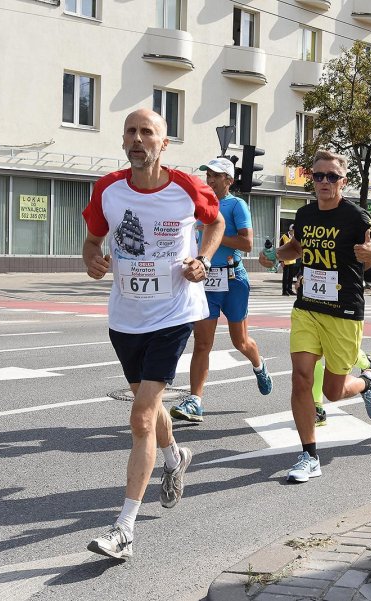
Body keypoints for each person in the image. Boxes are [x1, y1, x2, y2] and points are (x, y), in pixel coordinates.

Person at [81, 109, 223, 559]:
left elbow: (215, 222)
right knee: (151, 402)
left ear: (165, 144)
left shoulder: (186, 187)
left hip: (174, 313)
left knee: (141, 415)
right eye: (131, 132)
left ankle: (124, 528)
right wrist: (92, 258)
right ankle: (175, 458)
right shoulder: (108, 189)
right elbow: (92, 239)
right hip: (125, 317)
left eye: (148, 133)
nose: (138, 139)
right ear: (123, 141)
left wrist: (202, 258)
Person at [275, 149, 371, 482]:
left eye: (331, 176)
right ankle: (308, 455)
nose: (324, 182)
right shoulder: (305, 214)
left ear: (343, 181)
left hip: (343, 312)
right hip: (307, 308)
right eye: (318, 176)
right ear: (311, 179)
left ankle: (367, 380)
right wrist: (275, 254)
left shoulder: (356, 218)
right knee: (300, 377)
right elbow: (295, 248)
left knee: (332, 391)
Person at [169, 157, 273, 424]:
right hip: (205, 280)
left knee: (241, 342)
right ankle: (195, 401)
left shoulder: (236, 204)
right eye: (208, 175)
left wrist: (211, 232)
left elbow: (247, 243)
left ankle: (259, 365)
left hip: (233, 279)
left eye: (216, 176)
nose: (210, 179)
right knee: (203, 343)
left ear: (229, 180)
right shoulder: (197, 205)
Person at [280, 224, 297, 296]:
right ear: (290, 230)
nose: (294, 232)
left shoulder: (295, 237)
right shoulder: (284, 237)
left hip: (292, 259)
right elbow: (280, 249)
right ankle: (284, 291)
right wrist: (281, 261)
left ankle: (290, 290)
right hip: (285, 260)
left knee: (291, 276)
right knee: (285, 276)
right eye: (293, 230)